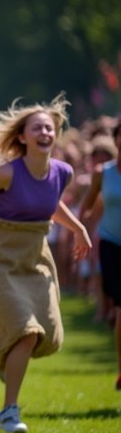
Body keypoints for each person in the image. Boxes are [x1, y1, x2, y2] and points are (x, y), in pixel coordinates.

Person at [0, 94, 91, 433]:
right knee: (26, 332)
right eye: (37, 128)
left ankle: (6, 359)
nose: (45, 132)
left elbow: (51, 204)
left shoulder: (63, 172)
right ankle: (9, 412)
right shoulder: (6, 173)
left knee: (49, 335)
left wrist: (78, 229)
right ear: (22, 137)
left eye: (49, 127)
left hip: (35, 259)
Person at [79, 120, 121, 391]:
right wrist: (84, 234)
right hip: (111, 244)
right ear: (116, 140)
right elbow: (86, 207)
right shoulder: (102, 173)